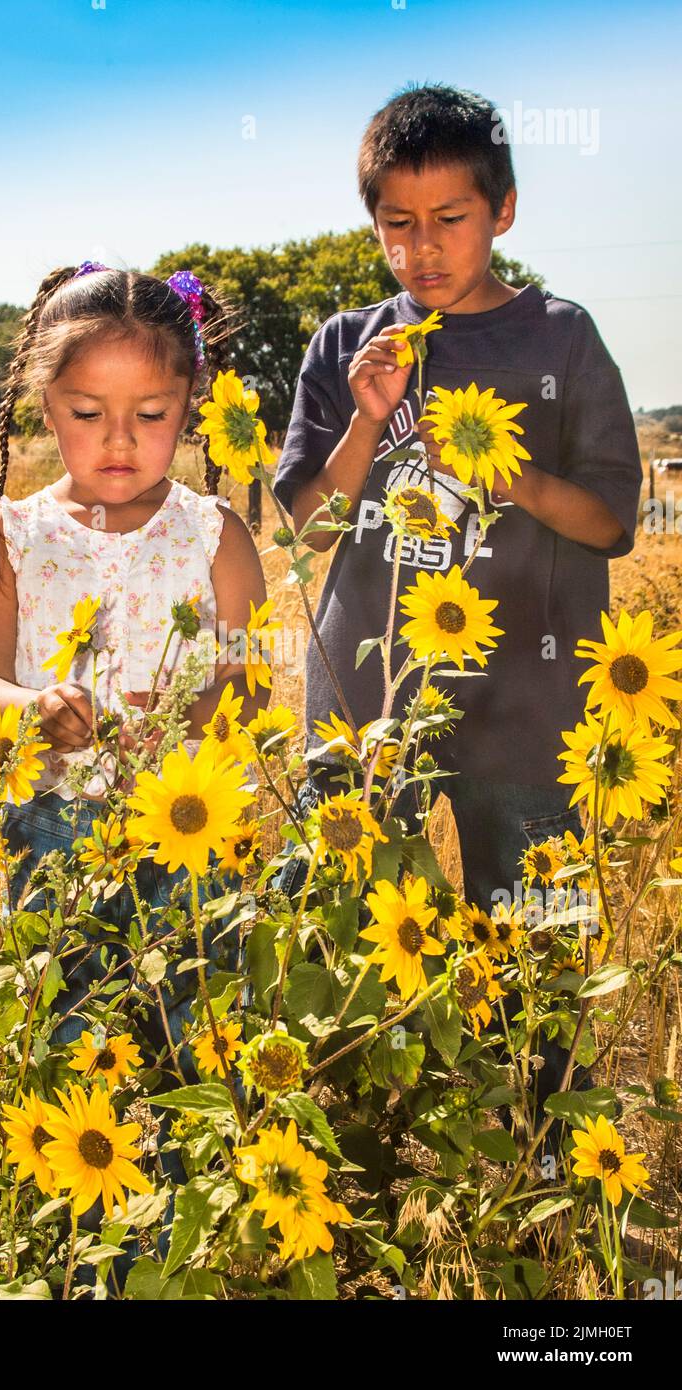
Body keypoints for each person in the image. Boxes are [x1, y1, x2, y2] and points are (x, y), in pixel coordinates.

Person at [272, 85, 643, 1137]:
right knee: (336, 937)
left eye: (450, 220)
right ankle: (354, 1150)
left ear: (505, 211)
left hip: (527, 717)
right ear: (373, 225)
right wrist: (365, 422)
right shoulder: (350, 345)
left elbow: (612, 519)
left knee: (534, 964)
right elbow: (302, 529)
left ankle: (537, 1156)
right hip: (363, 706)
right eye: (398, 224)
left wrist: (512, 475)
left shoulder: (563, 340)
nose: (423, 248)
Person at [0, 263, 267, 1287]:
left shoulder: (217, 534)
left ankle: (188, 1240)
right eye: (89, 413)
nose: (121, 442)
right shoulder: (8, 538)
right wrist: (31, 710)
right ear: (45, 401)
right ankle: (84, 1250)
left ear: (191, 408)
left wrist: (194, 716)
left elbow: (250, 678)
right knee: (70, 1042)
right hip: (52, 834)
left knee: (195, 1043)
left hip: (190, 834)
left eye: (153, 413)